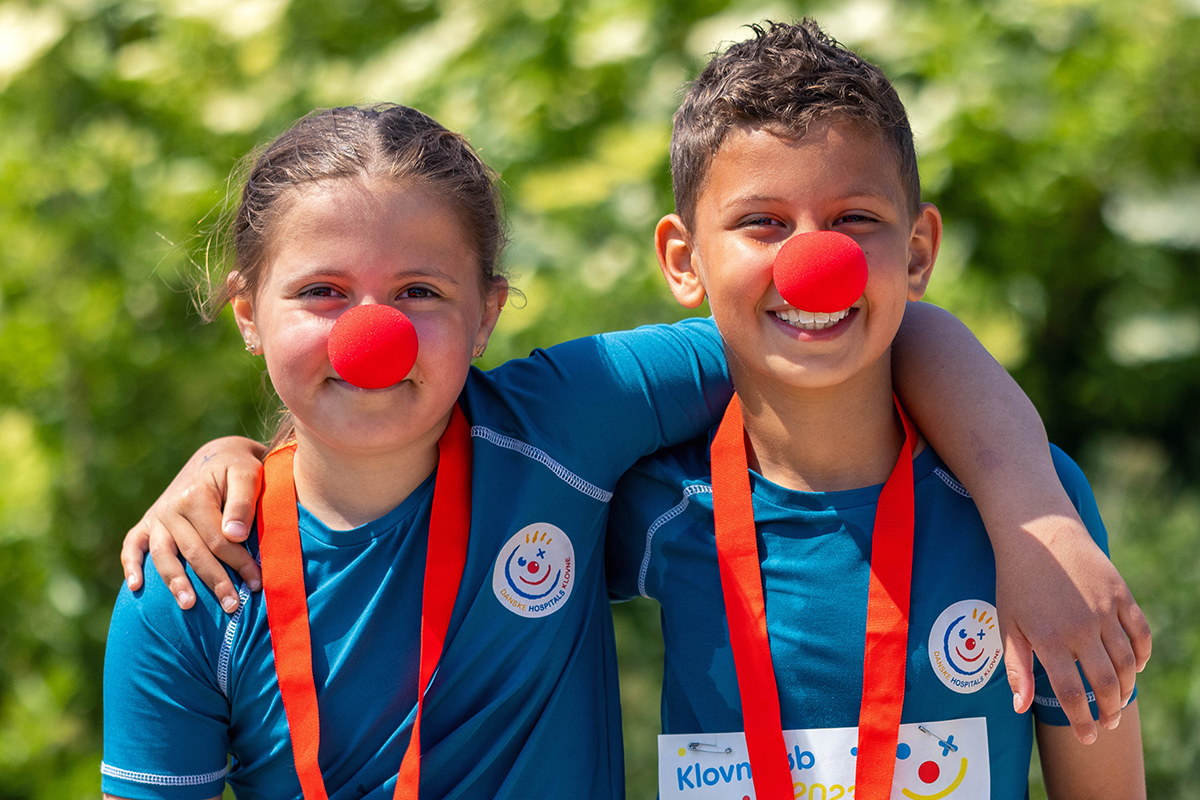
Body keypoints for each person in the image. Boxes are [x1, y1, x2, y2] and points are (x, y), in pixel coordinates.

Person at [105, 108, 1148, 799]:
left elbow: (851, 318)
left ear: (486, 315)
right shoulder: (187, 587)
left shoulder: (567, 420)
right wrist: (226, 453)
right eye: (322, 292)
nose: (367, 334)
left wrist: (1030, 503)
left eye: (420, 290)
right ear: (247, 311)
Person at [605, 20, 1145, 799]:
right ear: (684, 261)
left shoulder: (1032, 515)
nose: (816, 263)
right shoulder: (653, 503)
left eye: (855, 219)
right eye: (763, 223)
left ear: (918, 251)